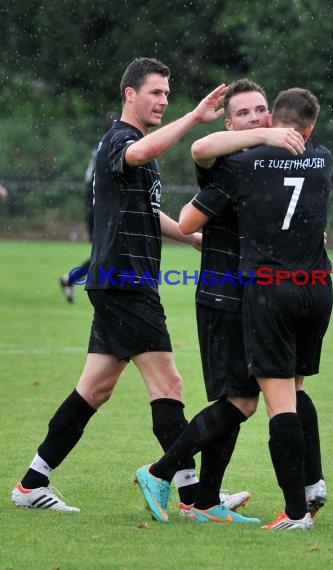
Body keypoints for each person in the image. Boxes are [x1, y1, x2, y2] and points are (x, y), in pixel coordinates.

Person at [11, 57, 242, 513]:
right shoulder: (123, 140)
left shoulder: (135, 147)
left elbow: (149, 215)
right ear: (130, 94)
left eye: (167, 95)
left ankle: (31, 483)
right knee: (169, 384)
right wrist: (194, 118)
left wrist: (194, 239)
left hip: (118, 281)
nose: (163, 101)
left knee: (94, 390)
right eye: (155, 92)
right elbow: (139, 154)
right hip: (125, 282)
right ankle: (196, 498)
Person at [137, 87, 333, 530]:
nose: (253, 118)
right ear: (229, 125)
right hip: (227, 296)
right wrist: (169, 225)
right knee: (243, 401)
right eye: (242, 113)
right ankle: (168, 476)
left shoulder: (265, 162)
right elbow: (191, 204)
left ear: (273, 118)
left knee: (256, 399)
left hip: (264, 295)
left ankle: (208, 497)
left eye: (261, 110)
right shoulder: (232, 164)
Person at [59, 112, 119, 303]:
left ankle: (72, 279)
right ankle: (94, 287)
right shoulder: (111, 147)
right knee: (106, 253)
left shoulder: (103, 146)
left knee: (106, 253)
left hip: (95, 209)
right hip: (99, 210)